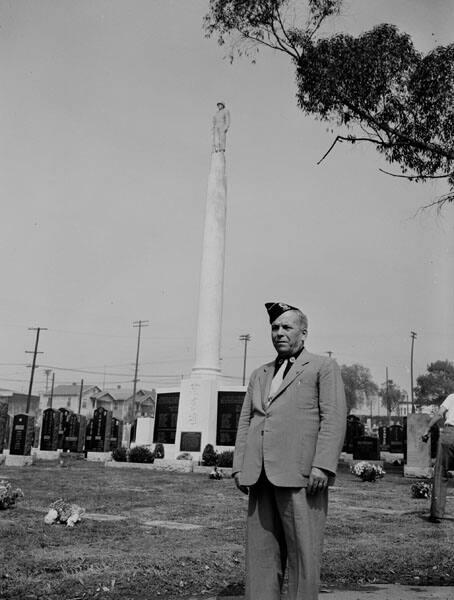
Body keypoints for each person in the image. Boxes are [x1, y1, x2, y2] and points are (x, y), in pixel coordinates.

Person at [232, 302, 347, 600]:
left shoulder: (322, 366)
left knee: (302, 556)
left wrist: (322, 465)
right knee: (260, 556)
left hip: (302, 476)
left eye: (287, 327)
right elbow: (247, 420)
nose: (279, 333)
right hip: (259, 475)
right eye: (274, 327)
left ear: (304, 333)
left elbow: (333, 418)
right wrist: (239, 465)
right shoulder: (260, 373)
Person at [421, 392, 454, 523]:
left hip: (449, 434)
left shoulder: (452, 397)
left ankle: (437, 513)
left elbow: (440, 414)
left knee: (441, 473)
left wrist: (427, 429)